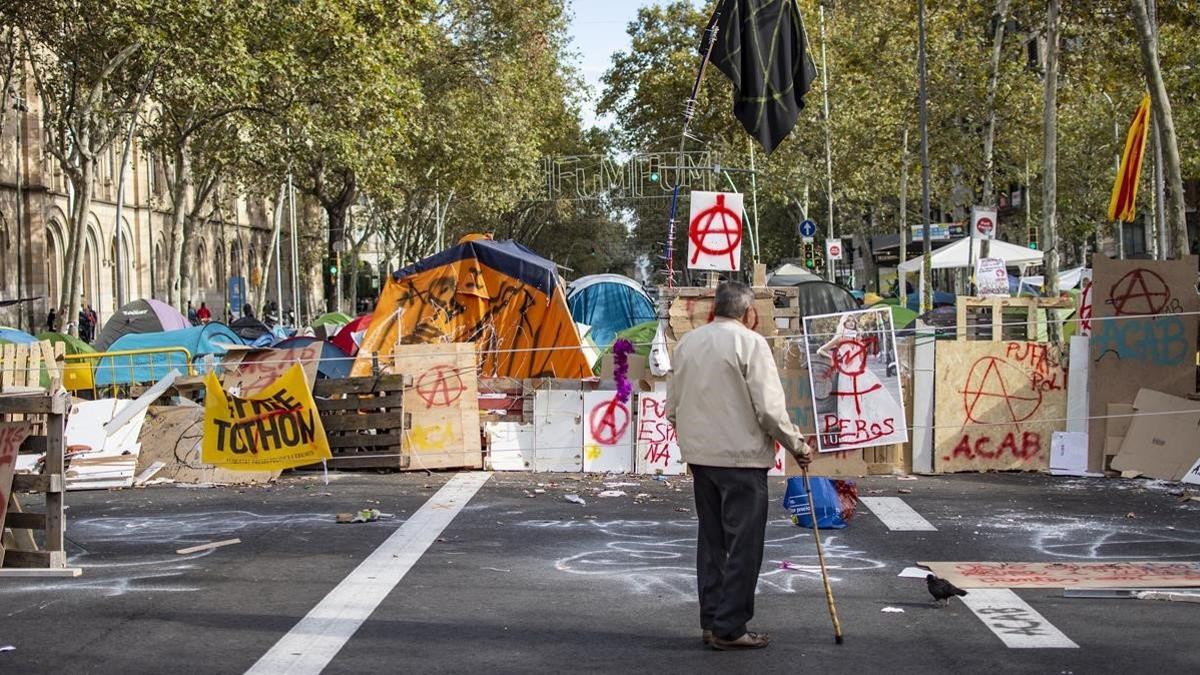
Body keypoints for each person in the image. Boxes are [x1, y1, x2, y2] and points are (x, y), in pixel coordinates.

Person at [666, 281, 812, 652]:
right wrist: (797, 445)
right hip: (742, 460)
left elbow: (672, 407)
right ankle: (729, 627)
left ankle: (711, 620)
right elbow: (769, 409)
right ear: (750, 313)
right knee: (743, 545)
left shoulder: (688, 343)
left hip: (701, 459)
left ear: (714, 309)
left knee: (712, 543)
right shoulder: (751, 343)